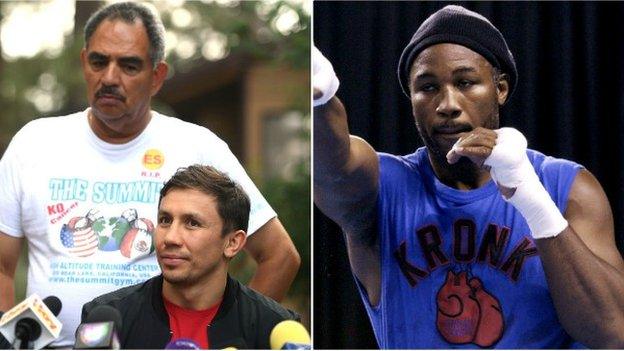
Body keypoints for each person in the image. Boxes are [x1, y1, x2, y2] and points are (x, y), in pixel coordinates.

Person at [314, 5, 624, 349]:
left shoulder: (568, 189)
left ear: (500, 88)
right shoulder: (383, 187)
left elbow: (614, 332)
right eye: (428, 87)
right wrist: (322, 98)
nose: (448, 103)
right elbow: (335, 165)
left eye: (465, 82)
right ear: (412, 99)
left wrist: (531, 197)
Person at [0, 2, 300, 347]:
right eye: (99, 61)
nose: (110, 77)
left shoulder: (198, 147)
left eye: (129, 65)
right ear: (84, 62)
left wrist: (229, 338)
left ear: (157, 76)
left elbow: (279, 256)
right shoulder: (34, 143)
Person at [81, 165, 299, 349]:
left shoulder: (275, 328)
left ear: (233, 243)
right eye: (165, 220)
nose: (171, 238)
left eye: (192, 223)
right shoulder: (104, 317)